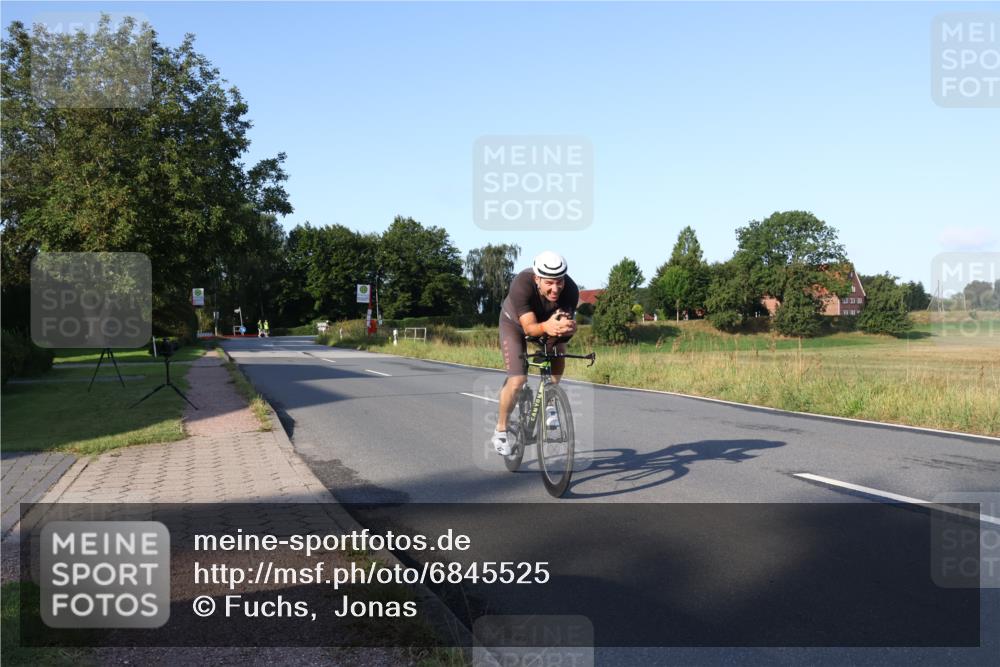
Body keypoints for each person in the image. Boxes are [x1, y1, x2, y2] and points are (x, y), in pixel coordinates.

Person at [492, 251, 579, 456]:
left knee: (559, 351)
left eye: (560, 282)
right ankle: (501, 430)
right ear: (537, 278)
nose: (555, 289)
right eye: (549, 283)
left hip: (546, 324)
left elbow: (560, 324)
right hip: (515, 324)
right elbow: (530, 329)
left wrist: (567, 328)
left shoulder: (571, 290)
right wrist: (548, 326)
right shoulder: (522, 284)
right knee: (518, 379)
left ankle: (550, 400)